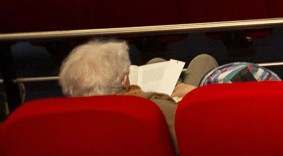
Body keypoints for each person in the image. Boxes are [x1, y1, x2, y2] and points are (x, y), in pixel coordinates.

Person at [58, 39, 218, 148]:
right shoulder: (151, 109)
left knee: (156, 62)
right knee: (204, 61)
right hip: (176, 140)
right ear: (124, 81)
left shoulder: (64, 124)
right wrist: (193, 94)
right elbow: (197, 135)